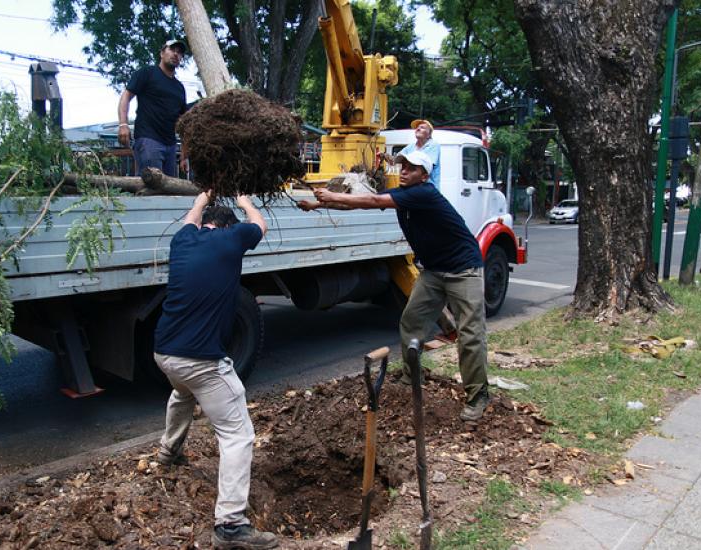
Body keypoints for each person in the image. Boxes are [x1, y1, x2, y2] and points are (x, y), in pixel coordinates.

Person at [298, 150, 490, 421]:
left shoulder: (424, 193)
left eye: (412, 168)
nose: (404, 171)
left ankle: (478, 396)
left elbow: (372, 199)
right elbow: (360, 204)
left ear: (424, 175)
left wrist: (332, 195)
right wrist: (318, 205)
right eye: (402, 166)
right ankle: (411, 377)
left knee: (470, 334)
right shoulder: (403, 195)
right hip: (434, 271)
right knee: (411, 323)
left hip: (463, 269)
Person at [153, 192, 278, 549]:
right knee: (238, 434)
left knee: (182, 391)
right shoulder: (232, 238)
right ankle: (230, 525)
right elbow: (260, 225)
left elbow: (191, 217)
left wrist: (202, 197)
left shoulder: (182, 240)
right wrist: (246, 200)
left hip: (164, 353)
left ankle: (169, 452)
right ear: (226, 227)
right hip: (200, 360)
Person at [118, 39, 189, 177]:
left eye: (179, 53)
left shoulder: (179, 88)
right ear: (162, 53)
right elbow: (126, 97)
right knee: (151, 187)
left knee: (169, 190)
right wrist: (123, 124)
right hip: (148, 139)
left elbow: (183, 122)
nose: (176, 54)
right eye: (172, 50)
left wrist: (184, 155)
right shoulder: (147, 73)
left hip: (170, 145)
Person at [400, 119, 441, 190]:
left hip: (428, 188)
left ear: (429, 134)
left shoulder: (433, 145)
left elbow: (426, 167)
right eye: (417, 128)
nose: (418, 129)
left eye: (422, 127)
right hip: (412, 188)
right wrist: (385, 156)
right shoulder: (410, 146)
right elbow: (396, 159)